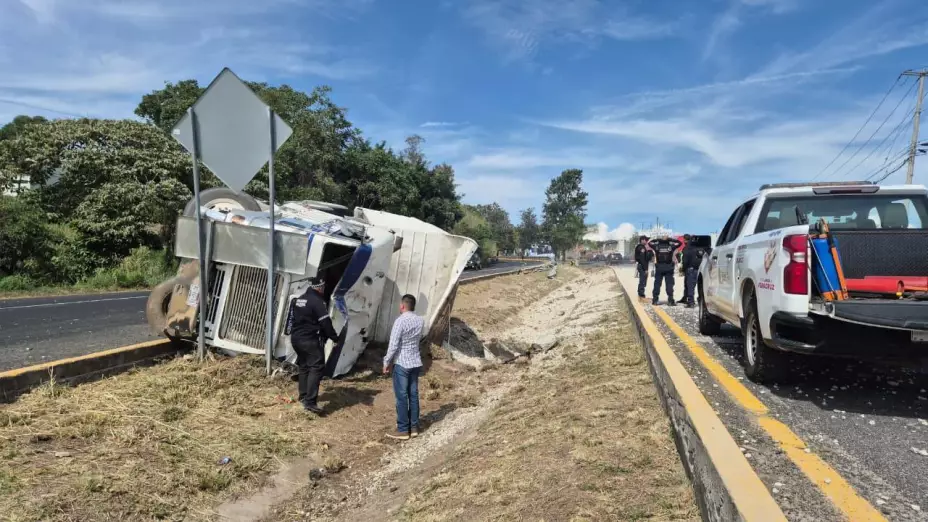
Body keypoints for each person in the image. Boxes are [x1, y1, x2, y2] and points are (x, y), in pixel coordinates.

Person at [288, 277, 339, 415]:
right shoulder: (317, 301)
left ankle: (303, 396)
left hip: (296, 339)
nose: (323, 289)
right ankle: (310, 402)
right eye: (323, 287)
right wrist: (334, 338)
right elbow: (325, 322)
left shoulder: (300, 298)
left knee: (304, 366)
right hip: (309, 340)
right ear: (320, 287)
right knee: (316, 366)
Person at [384, 294, 425, 441]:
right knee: (413, 395)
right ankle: (414, 427)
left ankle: (402, 429)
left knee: (402, 397)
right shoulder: (420, 320)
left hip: (402, 363)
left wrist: (386, 362)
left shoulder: (400, 321)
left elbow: (393, 345)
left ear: (402, 306)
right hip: (415, 361)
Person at [648, 235, 683, 306]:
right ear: (668, 240)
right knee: (669, 284)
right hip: (669, 268)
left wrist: (658, 239)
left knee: (657, 284)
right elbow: (680, 243)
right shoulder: (671, 247)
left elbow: (649, 243)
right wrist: (671, 239)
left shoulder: (657, 246)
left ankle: (655, 300)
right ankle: (670, 300)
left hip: (659, 268)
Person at [681, 234, 702, 308]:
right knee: (699, 287)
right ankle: (700, 301)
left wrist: (683, 269)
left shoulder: (687, 248)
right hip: (700, 269)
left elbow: (685, 260)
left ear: (685, 240)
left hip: (690, 269)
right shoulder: (699, 247)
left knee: (690, 286)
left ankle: (691, 302)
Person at [633, 236, 653, 301]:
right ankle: (641, 294)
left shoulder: (643, 247)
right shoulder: (641, 247)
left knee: (643, 280)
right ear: (642, 240)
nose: (647, 241)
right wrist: (645, 269)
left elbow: (647, 258)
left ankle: (640, 293)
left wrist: (650, 252)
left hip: (642, 265)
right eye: (646, 240)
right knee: (642, 281)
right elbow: (642, 259)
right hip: (642, 266)